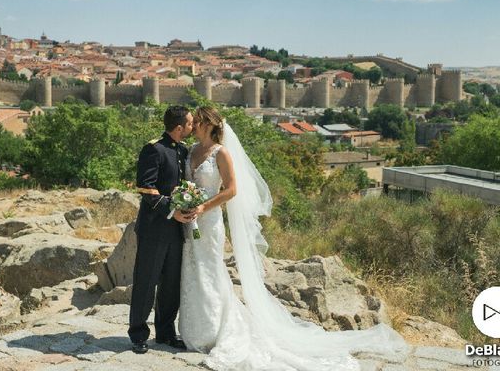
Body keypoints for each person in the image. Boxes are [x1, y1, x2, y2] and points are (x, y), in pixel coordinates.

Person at [178, 106, 410, 370]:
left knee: (211, 269)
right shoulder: (191, 151)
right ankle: (194, 330)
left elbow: (231, 190)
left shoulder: (222, 153)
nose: (192, 126)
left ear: (208, 124)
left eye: (196, 121)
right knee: (192, 268)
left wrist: (203, 207)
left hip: (209, 221)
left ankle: (214, 329)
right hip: (190, 220)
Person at [128, 105, 195, 354]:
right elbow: (146, 188)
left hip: (176, 231)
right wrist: (172, 209)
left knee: (171, 285)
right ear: (179, 127)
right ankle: (137, 335)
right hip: (154, 229)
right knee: (146, 282)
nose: (192, 127)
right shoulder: (154, 149)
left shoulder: (182, 150)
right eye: (190, 124)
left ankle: (165, 333)